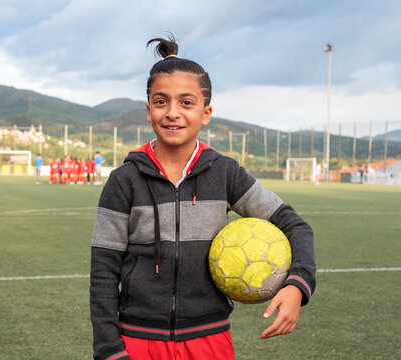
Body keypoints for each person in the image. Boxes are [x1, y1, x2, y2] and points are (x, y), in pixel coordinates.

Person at [90, 34, 316, 360]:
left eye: (186, 102)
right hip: (138, 341)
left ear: (206, 113)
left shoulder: (224, 174)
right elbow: (103, 272)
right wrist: (109, 349)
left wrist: (297, 285)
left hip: (209, 341)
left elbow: (294, 225)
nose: (172, 112)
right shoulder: (123, 181)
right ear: (148, 110)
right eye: (160, 101)